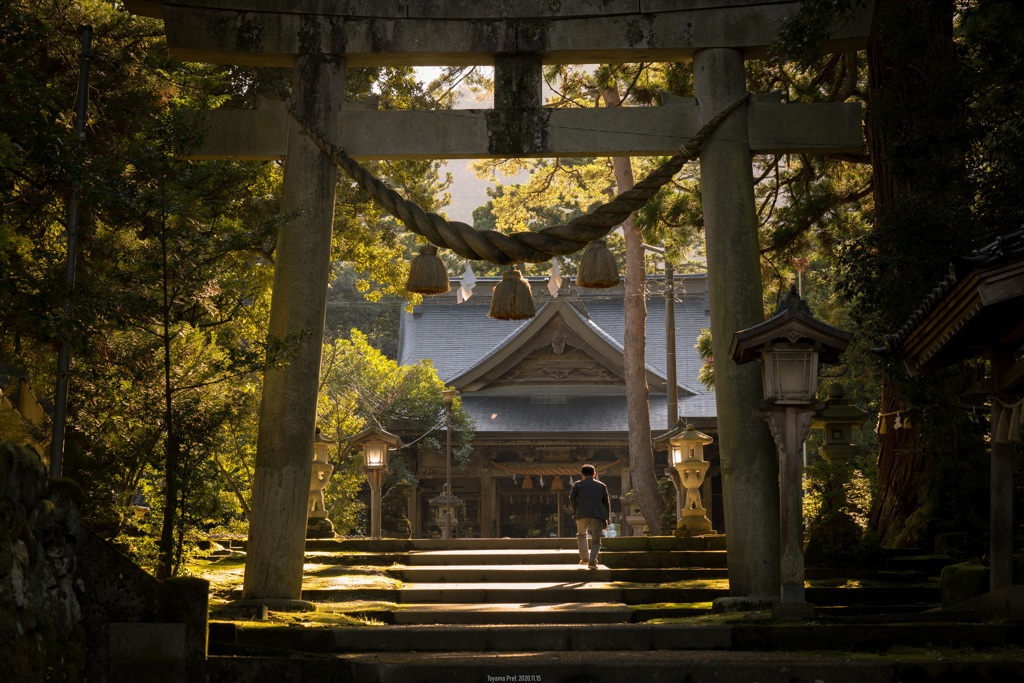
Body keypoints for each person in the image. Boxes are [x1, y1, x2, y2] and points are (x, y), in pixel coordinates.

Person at [569, 464, 610, 570]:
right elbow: (606, 503)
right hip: (597, 514)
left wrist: (576, 510)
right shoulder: (602, 486)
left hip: (581, 514)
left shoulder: (577, 485)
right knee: (596, 540)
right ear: (594, 474)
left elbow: (572, 499)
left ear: (582, 474)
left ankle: (584, 558)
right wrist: (607, 518)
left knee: (581, 535)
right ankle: (592, 561)